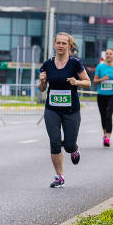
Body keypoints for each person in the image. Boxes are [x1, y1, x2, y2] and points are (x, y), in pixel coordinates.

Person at [38, 32, 91, 188]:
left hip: (71, 110)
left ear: (69, 46)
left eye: (64, 43)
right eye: (58, 43)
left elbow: (88, 82)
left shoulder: (75, 63)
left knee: (68, 145)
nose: (60, 46)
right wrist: (42, 81)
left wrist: (76, 82)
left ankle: (73, 149)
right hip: (52, 109)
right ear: (54, 45)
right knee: (54, 143)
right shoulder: (47, 64)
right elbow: (42, 88)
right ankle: (59, 176)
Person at [93, 48, 113, 147]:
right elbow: (95, 81)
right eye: (107, 54)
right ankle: (105, 134)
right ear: (105, 56)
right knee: (103, 116)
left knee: (108, 114)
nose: (108, 55)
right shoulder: (100, 67)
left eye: (110, 54)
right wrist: (102, 79)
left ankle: (108, 137)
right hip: (101, 95)